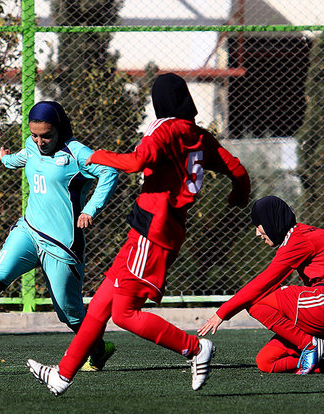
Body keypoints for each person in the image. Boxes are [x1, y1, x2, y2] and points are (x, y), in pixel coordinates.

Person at [26, 73, 251, 395]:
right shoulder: (200, 136)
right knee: (101, 305)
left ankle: (194, 348)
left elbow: (136, 162)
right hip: (158, 229)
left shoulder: (165, 129)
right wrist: (238, 197)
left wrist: (94, 156)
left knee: (124, 313)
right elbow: (238, 170)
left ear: (160, 102)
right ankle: (62, 375)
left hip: (153, 231)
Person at [0, 101, 119, 371]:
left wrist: (90, 209)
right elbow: (19, 159)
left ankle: (100, 349)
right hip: (28, 230)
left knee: (69, 313)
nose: (40, 141)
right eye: (35, 134)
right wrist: (5, 159)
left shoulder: (77, 153)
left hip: (62, 245)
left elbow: (109, 171)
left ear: (60, 129)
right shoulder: (31, 146)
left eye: (46, 135)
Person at [198, 196, 324, 375]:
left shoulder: (298, 238)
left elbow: (264, 281)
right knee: (267, 361)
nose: (257, 233)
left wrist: (222, 313)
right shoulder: (302, 235)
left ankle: (310, 344)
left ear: (272, 220)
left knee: (256, 301)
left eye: (259, 224)